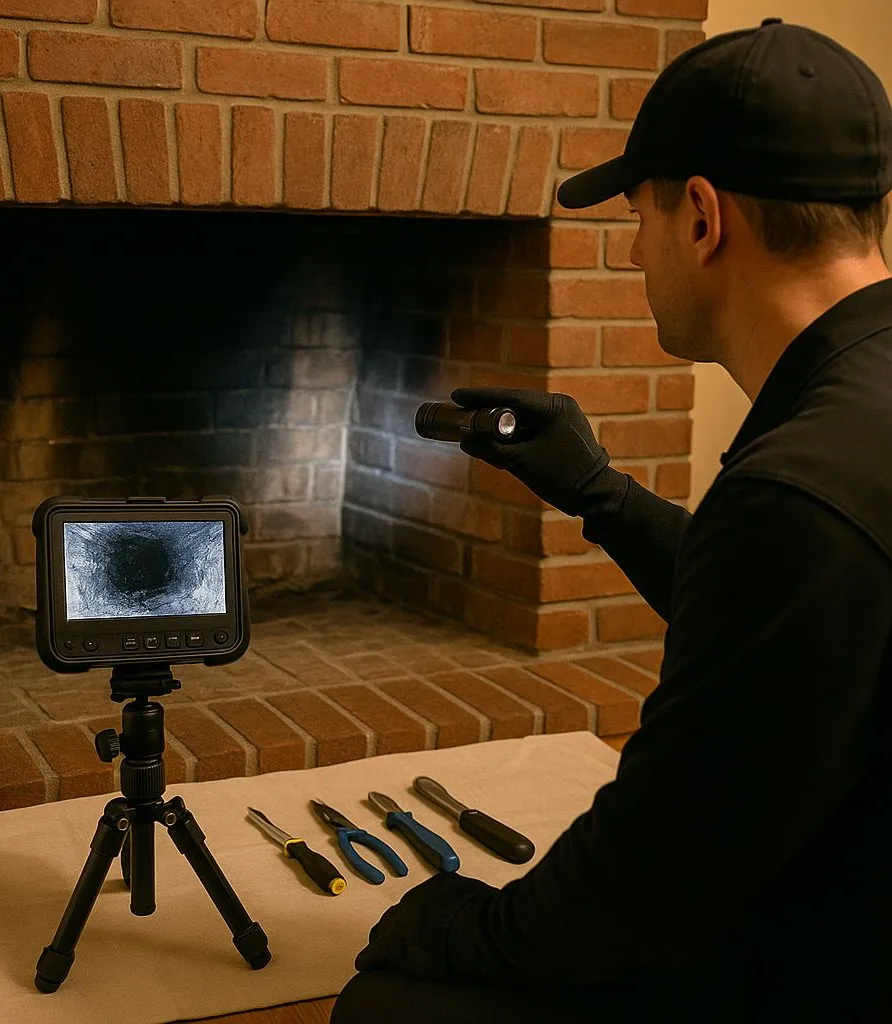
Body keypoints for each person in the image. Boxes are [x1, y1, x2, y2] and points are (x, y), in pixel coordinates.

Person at [331, 18, 892, 1024]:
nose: (632, 251)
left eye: (637, 215)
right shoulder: (846, 434)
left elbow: (630, 893)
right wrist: (599, 490)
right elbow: (776, 627)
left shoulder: (795, 493)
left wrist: (444, 922)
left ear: (702, 221)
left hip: (824, 967)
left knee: (385, 1006)